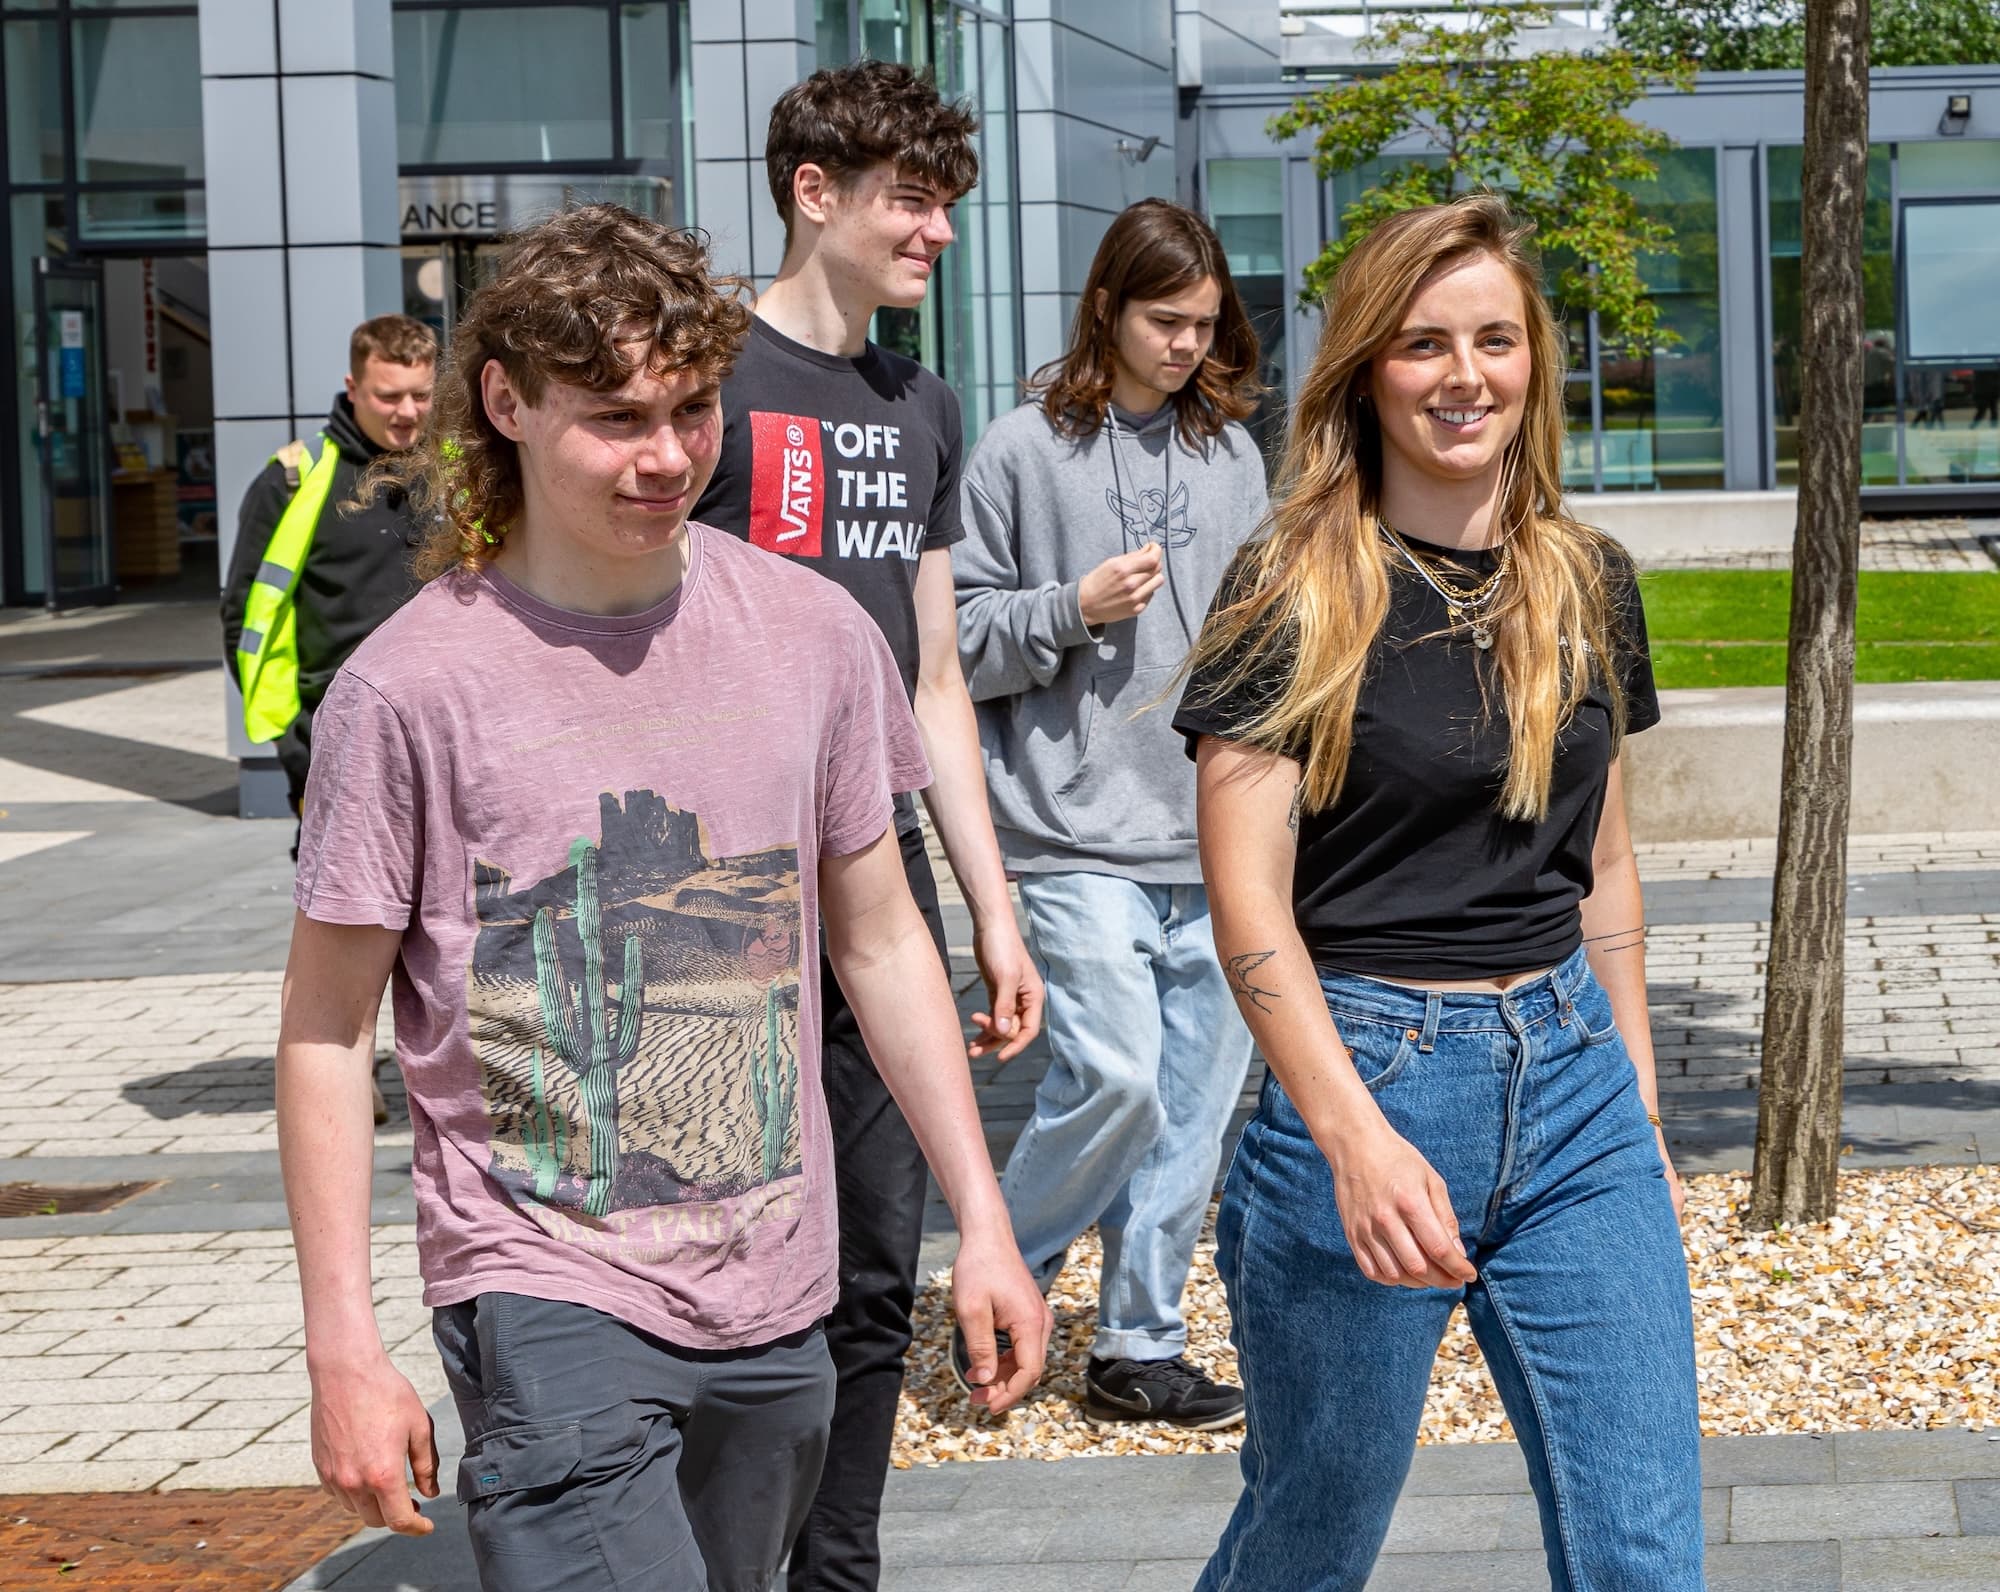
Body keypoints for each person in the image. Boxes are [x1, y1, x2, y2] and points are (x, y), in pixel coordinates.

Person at [274, 204, 1050, 1592]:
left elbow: (879, 946)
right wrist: (343, 1341)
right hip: (540, 1285)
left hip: (776, 1289)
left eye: (695, 409)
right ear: (504, 403)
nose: (669, 455)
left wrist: (981, 1222)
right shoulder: (406, 691)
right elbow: (327, 1030)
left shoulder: (814, 636)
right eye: (617, 416)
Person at [1172, 195, 1701, 1589]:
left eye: (1494, 341)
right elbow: (1249, 913)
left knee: (1645, 1552)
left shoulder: (1587, 580)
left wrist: (1635, 1085)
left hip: (1577, 1081)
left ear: (1535, 362)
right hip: (1369, 1071)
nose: (1464, 377)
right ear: (1366, 369)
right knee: (1311, 1540)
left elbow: (1608, 859)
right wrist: (1350, 1138)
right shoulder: (1289, 591)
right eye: (1422, 344)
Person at [691, 60, 1045, 1592]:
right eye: (913, 198)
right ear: (812, 191)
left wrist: (994, 905)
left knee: (873, 1269)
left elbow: (939, 682)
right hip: (705, 895)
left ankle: (839, 1572)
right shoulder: (701, 382)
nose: (940, 232)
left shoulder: (922, 406)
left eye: (948, 203)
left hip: (875, 880)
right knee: (720, 1269)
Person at [951, 199, 1266, 1429]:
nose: (1187, 343)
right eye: (1163, 319)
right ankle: (1001, 1271)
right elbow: (954, 646)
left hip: (1218, 830)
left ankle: (1136, 1342)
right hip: (1073, 829)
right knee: (1120, 1081)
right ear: (1105, 309)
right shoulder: (1020, 452)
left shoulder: (1231, 456)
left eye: (1203, 322)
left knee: (1193, 1107)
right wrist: (1068, 606)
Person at [221, 313, 437, 819]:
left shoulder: (456, 472)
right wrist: (297, 745)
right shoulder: (292, 482)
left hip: (447, 743)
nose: (407, 412)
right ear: (352, 387)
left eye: (421, 395)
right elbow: (246, 622)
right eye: (389, 396)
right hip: (337, 750)